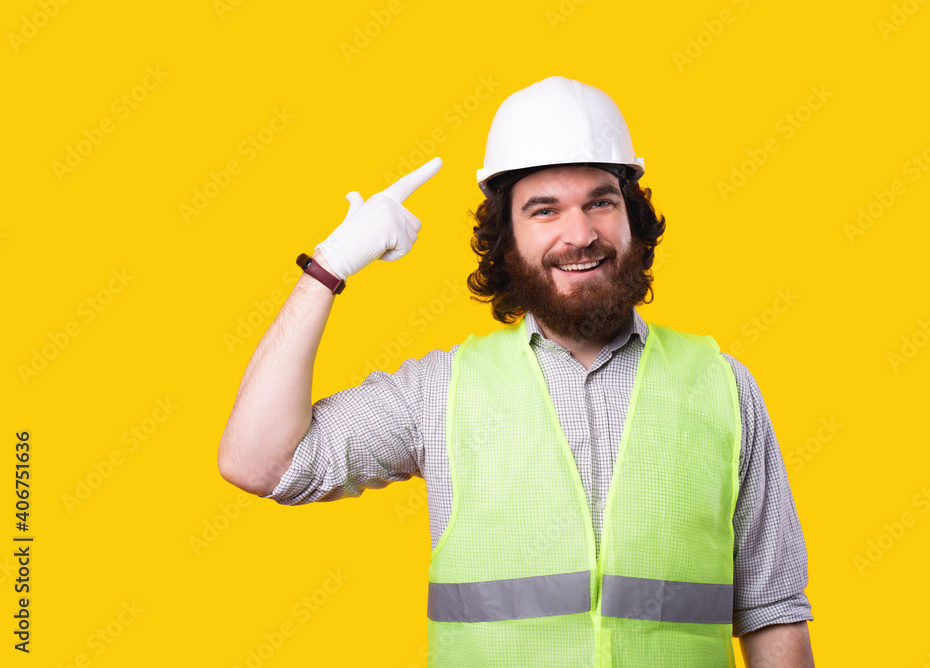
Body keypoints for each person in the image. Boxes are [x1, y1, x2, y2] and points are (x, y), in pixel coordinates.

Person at [218, 76, 815, 667]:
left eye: (600, 203)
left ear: (633, 218)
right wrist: (329, 266)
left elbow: (774, 610)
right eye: (544, 211)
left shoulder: (722, 386)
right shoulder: (441, 392)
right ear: (506, 240)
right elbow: (259, 461)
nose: (579, 235)